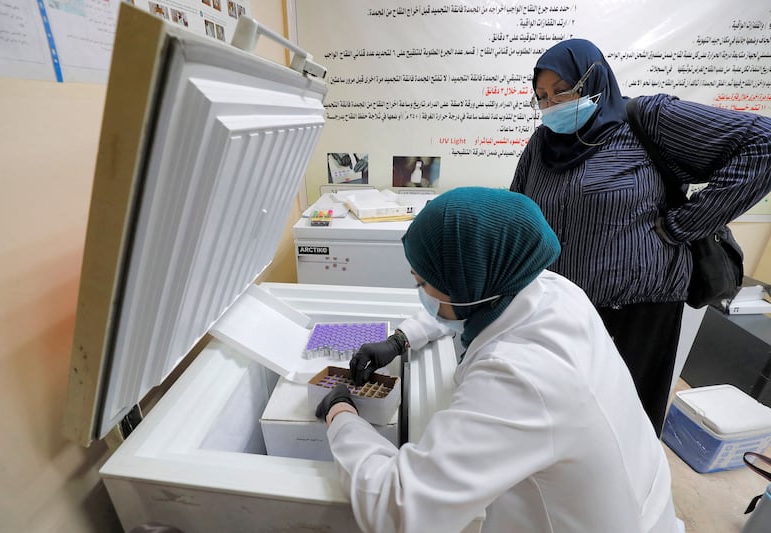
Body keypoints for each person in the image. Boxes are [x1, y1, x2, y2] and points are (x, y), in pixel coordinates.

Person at [314, 187, 681, 533]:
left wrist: (343, 417)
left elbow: (399, 509)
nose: (420, 292)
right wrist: (401, 338)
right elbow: (476, 301)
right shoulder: (550, 287)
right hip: (641, 496)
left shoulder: (518, 378)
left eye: (422, 283)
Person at [509, 38, 771, 436]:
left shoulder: (647, 120)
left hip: (637, 312)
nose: (553, 104)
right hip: (562, 310)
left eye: (563, 90)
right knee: (566, 419)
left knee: (624, 421)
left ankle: (628, 495)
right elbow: (519, 209)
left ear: (593, 79)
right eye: (542, 97)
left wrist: (685, 223)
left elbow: (763, 144)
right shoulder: (543, 143)